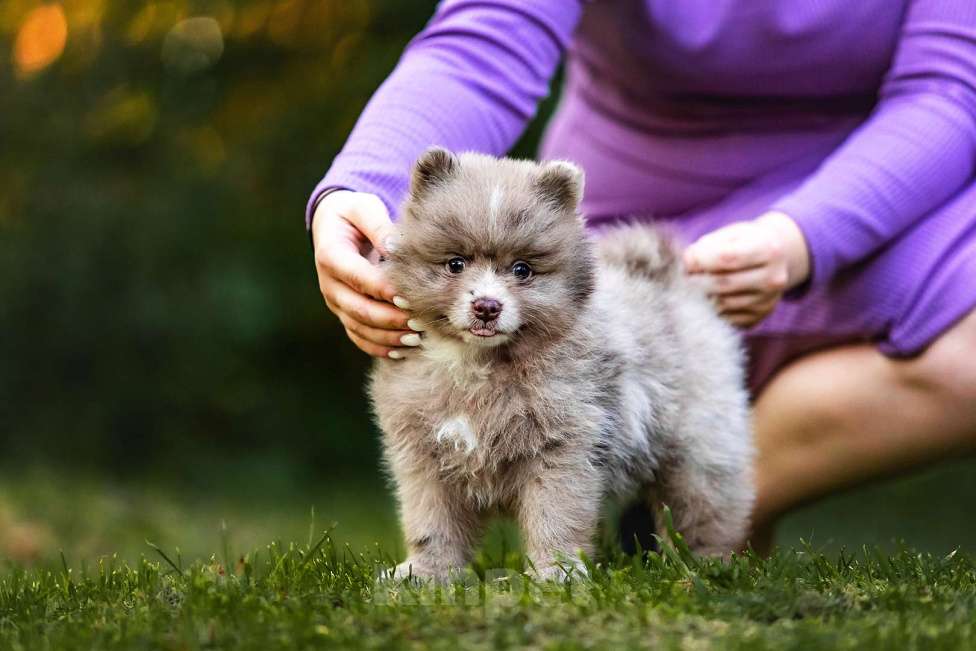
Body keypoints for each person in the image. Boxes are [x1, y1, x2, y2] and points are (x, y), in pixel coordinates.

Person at [307, 1, 976, 551]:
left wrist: (804, 236)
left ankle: (706, 493)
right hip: (619, 217)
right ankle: (664, 515)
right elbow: (484, 42)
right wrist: (362, 186)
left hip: (882, 205)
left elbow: (950, 89)